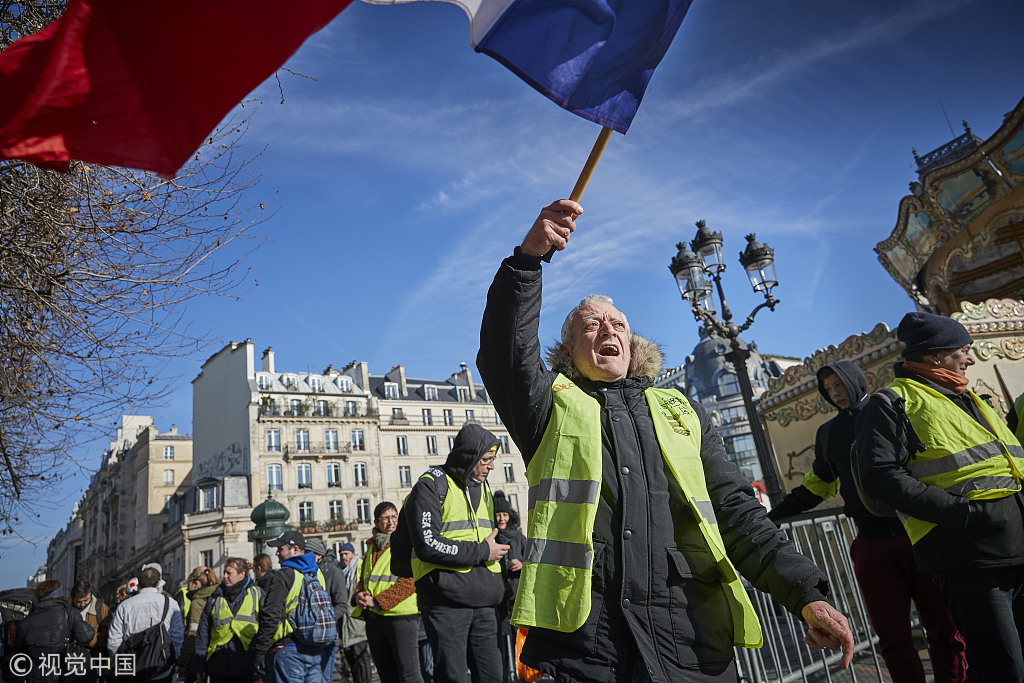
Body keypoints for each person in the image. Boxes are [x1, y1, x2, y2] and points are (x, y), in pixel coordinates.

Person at [476, 199, 854, 683]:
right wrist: (528, 261)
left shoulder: (681, 410)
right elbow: (506, 349)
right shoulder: (548, 404)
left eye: (618, 324)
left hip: (691, 638)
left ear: (632, 344)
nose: (608, 329)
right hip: (589, 646)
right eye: (591, 325)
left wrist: (806, 593)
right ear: (568, 349)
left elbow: (737, 512)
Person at [769, 361, 966, 683]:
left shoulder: (890, 410)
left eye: (839, 385)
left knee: (945, 629)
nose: (835, 393)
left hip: (919, 534)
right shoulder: (828, 433)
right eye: (828, 389)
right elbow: (817, 486)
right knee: (892, 637)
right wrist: (769, 518)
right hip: (871, 544)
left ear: (855, 380)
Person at [855, 311, 1024, 682]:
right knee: (1004, 669)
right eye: (964, 350)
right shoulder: (892, 402)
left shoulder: (970, 398)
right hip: (970, 557)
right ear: (935, 356)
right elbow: (880, 477)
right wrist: (964, 515)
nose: (971, 359)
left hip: (1014, 546)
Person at [404, 424, 507, 683]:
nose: (492, 466)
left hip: (485, 604)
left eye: (493, 459)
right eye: (486, 459)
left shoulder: (484, 488)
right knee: (453, 677)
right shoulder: (430, 485)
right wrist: (483, 551)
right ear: (469, 456)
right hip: (446, 604)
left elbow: (487, 536)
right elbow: (428, 544)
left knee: (493, 676)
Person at [250, 530, 335, 683]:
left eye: (280, 549)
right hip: (314, 647)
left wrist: (260, 651)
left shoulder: (284, 575)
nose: (277, 553)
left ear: (295, 549)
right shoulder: (317, 573)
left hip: (287, 648)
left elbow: (271, 614)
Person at [352, 502, 423, 683]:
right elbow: (364, 578)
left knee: (409, 675)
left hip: (402, 618)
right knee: (387, 675)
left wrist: (377, 601)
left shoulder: (406, 543)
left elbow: (410, 581)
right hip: (375, 619)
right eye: (385, 518)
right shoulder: (371, 547)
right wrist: (359, 594)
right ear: (376, 522)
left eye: (394, 517)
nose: (391, 522)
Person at [107, 567, 184, 683]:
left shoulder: (125, 605)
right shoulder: (170, 603)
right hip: (161, 667)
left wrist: (121, 662)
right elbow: (177, 635)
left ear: (138, 583)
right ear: (158, 583)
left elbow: (114, 640)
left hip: (132, 667)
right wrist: (173, 658)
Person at [194, 557, 262, 683]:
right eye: (224, 572)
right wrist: (200, 664)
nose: (225, 576)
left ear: (242, 574)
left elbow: (267, 627)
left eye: (229, 573)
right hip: (218, 666)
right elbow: (203, 632)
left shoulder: (257, 594)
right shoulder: (215, 597)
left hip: (247, 666)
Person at [13, 580, 94, 683]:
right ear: (60, 594)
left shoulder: (25, 622)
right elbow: (86, 636)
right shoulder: (69, 613)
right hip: (63, 674)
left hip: (35, 676)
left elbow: (18, 651)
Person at [492, 491, 524, 683]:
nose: (502, 518)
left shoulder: (519, 537)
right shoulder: (490, 537)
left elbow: (533, 560)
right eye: (498, 515)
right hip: (498, 598)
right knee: (501, 643)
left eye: (504, 514)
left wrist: (521, 563)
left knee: (520, 642)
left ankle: (522, 676)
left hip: (518, 596)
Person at [335, 542, 372, 683]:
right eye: (341, 554)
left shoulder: (360, 567)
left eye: (346, 554)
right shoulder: (339, 572)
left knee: (361, 660)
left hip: (358, 623)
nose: (343, 557)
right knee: (351, 661)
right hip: (345, 625)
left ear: (353, 554)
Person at [179, 566, 219, 681]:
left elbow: (193, 634)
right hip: (214, 655)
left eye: (188, 585)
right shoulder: (216, 596)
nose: (187, 589)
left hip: (197, 658)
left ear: (196, 584)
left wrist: (183, 662)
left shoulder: (197, 602)